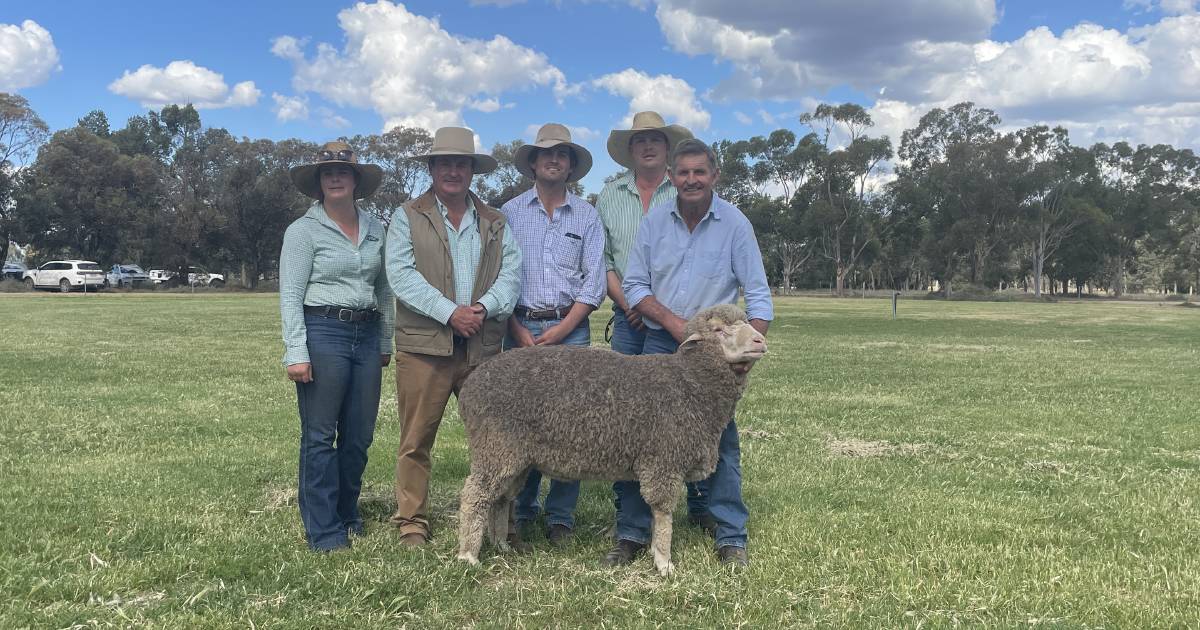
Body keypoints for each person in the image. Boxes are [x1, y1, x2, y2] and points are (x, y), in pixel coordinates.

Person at [605, 138, 774, 568]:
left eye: (700, 172)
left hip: (716, 349)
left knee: (721, 438)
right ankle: (631, 533)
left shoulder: (735, 224)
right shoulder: (656, 222)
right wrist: (676, 324)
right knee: (637, 436)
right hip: (665, 341)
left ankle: (730, 534)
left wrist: (745, 352)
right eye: (684, 173)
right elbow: (636, 285)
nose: (692, 179)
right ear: (671, 177)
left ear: (714, 176)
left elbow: (758, 294)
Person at [385, 126, 522, 546]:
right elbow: (400, 274)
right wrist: (450, 313)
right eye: (444, 162)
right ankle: (412, 521)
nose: (453, 170)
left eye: (461, 163)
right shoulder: (407, 216)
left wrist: (481, 309)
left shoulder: (496, 221)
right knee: (416, 439)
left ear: (472, 171)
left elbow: (512, 274)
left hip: (481, 346)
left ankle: (503, 524)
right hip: (425, 347)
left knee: (502, 440)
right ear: (431, 167)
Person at [279, 141, 395, 552]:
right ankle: (324, 528)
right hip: (323, 330)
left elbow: (384, 288)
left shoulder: (376, 229)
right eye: (327, 172)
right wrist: (296, 351)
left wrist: (385, 341)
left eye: (343, 171)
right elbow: (290, 294)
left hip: (366, 335)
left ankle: (348, 511)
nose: (335, 176)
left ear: (356, 179)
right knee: (319, 435)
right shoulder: (303, 231)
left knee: (359, 435)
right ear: (318, 182)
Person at [593, 112, 701, 530]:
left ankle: (695, 506)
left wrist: (660, 311)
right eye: (641, 141)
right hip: (627, 318)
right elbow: (601, 261)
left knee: (689, 414)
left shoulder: (686, 192)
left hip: (676, 322)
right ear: (631, 151)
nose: (649, 147)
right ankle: (631, 519)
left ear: (667, 148)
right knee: (623, 418)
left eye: (656, 139)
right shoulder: (609, 196)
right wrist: (632, 304)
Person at [500, 123, 606, 547]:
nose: (554, 159)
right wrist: (516, 327)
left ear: (571, 166)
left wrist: (563, 328)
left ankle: (560, 516)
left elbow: (594, 281)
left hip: (571, 329)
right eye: (546, 153)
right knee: (524, 422)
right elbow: (499, 275)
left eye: (562, 154)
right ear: (532, 163)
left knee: (573, 425)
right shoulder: (508, 213)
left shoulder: (587, 215)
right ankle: (522, 512)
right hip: (520, 325)